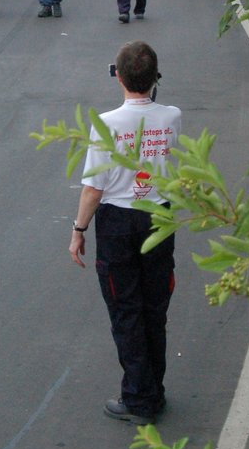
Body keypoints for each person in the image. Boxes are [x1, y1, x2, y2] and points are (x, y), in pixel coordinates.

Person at [69, 41, 181, 423]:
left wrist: (79, 228)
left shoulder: (107, 124)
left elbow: (93, 188)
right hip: (159, 216)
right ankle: (154, 388)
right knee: (155, 307)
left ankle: (138, 398)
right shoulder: (171, 117)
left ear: (118, 76)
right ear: (155, 78)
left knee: (125, 310)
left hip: (119, 222)